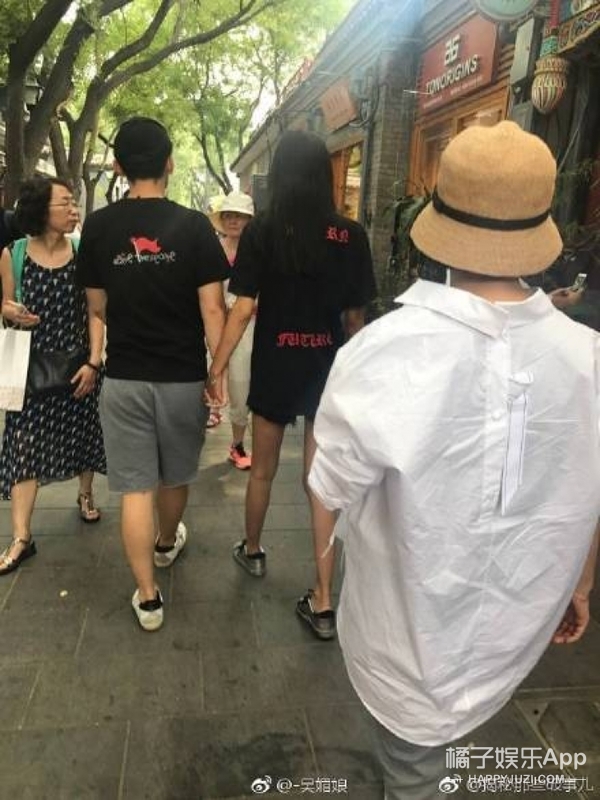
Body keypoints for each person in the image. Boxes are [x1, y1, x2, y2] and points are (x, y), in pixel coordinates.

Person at [308, 121, 600, 798]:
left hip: (404, 640)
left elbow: (330, 487)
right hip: (518, 626)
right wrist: (578, 585)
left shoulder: (384, 352)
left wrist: (325, 576)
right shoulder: (586, 358)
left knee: (412, 773)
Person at [207, 130, 377, 640]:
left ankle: (253, 550)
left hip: (276, 363)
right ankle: (323, 600)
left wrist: (217, 367)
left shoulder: (263, 232)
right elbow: (356, 322)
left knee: (261, 470)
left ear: (278, 174)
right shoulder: (350, 235)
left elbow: (242, 309)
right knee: (318, 480)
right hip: (328, 370)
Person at [76, 116, 229, 631]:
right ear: (170, 163)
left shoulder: (98, 227)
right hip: (183, 377)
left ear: (118, 167)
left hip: (123, 377)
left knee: (135, 488)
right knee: (176, 473)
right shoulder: (195, 227)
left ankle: (147, 597)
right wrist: (218, 371)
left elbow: (97, 306)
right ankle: (166, 543)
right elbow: (213, 309)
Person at [0, 177, 106, 576]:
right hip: (29, 370)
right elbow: (5, 304)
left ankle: (85, 494)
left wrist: (94, 362)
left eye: (74, 203)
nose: (74, 210)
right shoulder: (14, 253)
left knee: (84, 435)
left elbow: (96, 312)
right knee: (23, 446)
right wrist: (9, 311)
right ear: (41, 209)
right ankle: (21, 537)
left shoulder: (83, 252)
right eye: (66, 203)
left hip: (78, 366)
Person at [209, 191, 255, 469]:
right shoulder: (211, 250)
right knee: (208, 377)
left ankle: (237, 443)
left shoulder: (259, 251)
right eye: (228, 215)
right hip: (213, 323)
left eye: (239, 216)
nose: (233, 221)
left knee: (241, 384)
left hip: (248, 326)